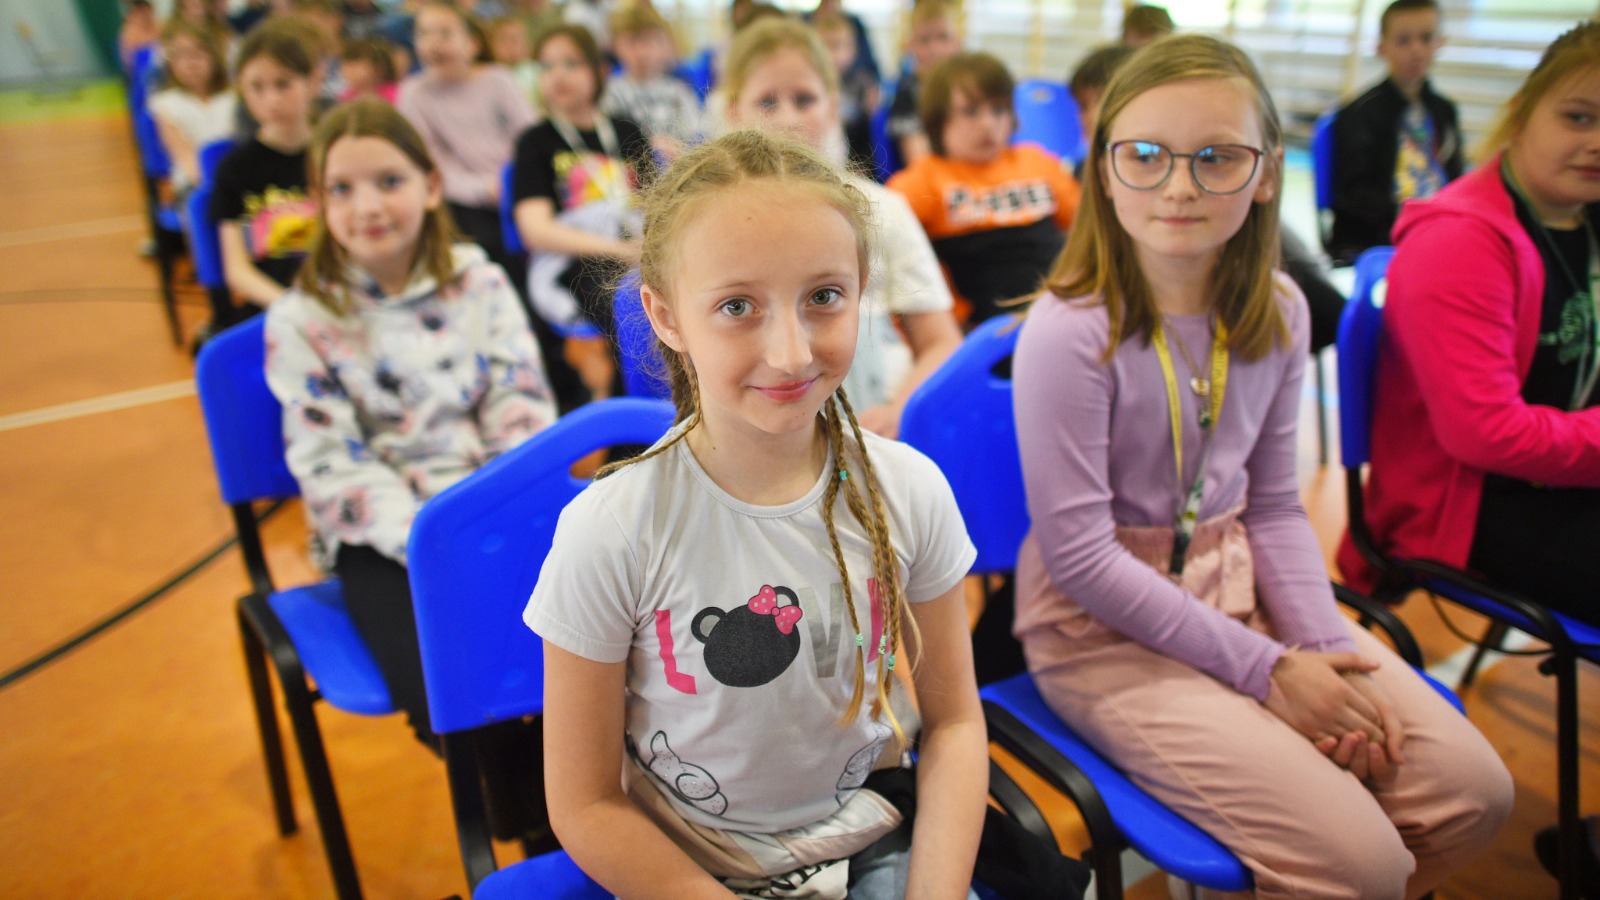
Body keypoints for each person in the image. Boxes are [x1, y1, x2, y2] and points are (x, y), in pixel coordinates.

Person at [1014, 33, 1511, 897]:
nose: (1179, 185)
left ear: (1268, 173)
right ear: (1104, 171)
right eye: (1146, 155)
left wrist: (1322, 652)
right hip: (1100, 637)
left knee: (1475, 795)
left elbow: (1274, 506)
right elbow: (1084, 560)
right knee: (1361, 862)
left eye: (1217, 157)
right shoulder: (1070, 331)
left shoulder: (1279, 308)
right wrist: (1271, 672)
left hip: (1237, 591)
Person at [525, 127, 987, 900]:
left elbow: (955, 725)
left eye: (824, 297)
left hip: (869, 831)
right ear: (666, 316)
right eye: (738, 306)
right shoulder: (613, 529)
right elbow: (586, 803)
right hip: (693, 864)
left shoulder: (908, 490)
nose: (791, 353)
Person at [1334, 22, 1600, 886]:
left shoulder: (1587, 222)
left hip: (1555, 481)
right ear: (1524, 110)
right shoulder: (1461, 239)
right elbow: (1487, 433)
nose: (1597, 143)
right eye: (1579, 116)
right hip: (1464, 508)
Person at [265, 97, 558, 844]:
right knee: (444, 683)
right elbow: (332, 465)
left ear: (430, 186)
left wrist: (487, 520)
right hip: (386, 542)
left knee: (580, 650)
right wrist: (433, 540)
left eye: (388, 181)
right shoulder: (299, 320)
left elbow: (521, 404)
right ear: (319, 201)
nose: (367, 206)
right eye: (342, 188)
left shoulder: (479, 279)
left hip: (492, 511)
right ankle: (536, 817)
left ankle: (553, 807)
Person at [721, 17, 961, 437]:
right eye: (767, 102)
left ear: (832, 106)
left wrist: (899, 411)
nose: (788, 119)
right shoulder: (716, 224)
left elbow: (941, 340)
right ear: (734, 111)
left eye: (804, 99)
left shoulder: (882, 209)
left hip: (875, 428)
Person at [512, 23, 655, 405]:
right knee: (625, 302)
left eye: (571, 63)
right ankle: (635, 413)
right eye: (546, 67)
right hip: (579, 260)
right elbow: (536, 230)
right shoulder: (536, 142)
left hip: (637, 245)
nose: (557, 76)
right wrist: (619, 251)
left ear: (598, 70)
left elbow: (657, 204)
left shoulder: (625, 130)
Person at [887, 51, 1080, 328]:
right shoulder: (923, 180)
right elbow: (888, 259)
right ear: (938, 121)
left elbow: (1086, 232)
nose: (988, 124)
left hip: (1061, 310)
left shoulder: (1037, 162)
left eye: (998, 110)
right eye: (970, 111)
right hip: (981, 328)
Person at [398, 0, 537, 300]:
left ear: (472, 43)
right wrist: (485, 189)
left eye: (445, 34)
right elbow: (432, 164)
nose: (433, 44)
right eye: (424, 34)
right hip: (462, 202)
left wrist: (512, 182)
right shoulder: (413, 94)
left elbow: (530, 139)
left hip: (517, 185)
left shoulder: (499, 80)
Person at [1327, 0, 1462, 265]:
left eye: (1426, 38)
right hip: (1376, 239)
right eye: (1404, 40)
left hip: (1437, 231)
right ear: (1381, 47)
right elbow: (1352, 195)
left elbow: (1454, 178)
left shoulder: (1445, 112)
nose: (1416, 50)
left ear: (1440, 42)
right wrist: (1412, 220)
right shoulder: (1357, 114)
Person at [209, 20, 319, 325]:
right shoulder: (235, 169)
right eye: (256, 87)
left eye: (283, 84)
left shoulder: (336, 154)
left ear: (313, 81)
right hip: (276, 310)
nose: (271, 100)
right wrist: (292, 307)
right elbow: (237, 272)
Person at [602, 4, 703, 163]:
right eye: (632, 42)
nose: (641, 52)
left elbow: (696, 136)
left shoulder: (679, 90)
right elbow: (610, 140)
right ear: (616, 46)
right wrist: (650, 145)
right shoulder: (611, 92)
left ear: (663, 43)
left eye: (649, 41)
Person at [148, 19, 236, 198]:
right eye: (180, 56)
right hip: (195, 186)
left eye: (198, 53)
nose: (190, 63)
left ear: (214, 56)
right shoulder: (165, 103)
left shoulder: (235, 97)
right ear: (170, 63)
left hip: (237, 177)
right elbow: (187, 159)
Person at [886, 0, 961, 168]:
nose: (935, 49)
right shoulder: (907, 93)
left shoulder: (967, 89)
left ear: (958, 42)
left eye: (943, 37)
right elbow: (920, 162)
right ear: (910, 46)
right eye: (924, 40)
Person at [813, 11, 877, 173]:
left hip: (857, 163)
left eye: (838, 45)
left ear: (852, 50)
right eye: (825, 45)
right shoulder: (811, 86)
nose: (831, 54)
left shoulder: (863, 83)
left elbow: (869, 132)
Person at [338, 36, 400, 104]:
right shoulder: (346, 97)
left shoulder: (394, 93)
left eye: (354, 65)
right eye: (346, 64)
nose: (349, 71)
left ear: (377, 68)